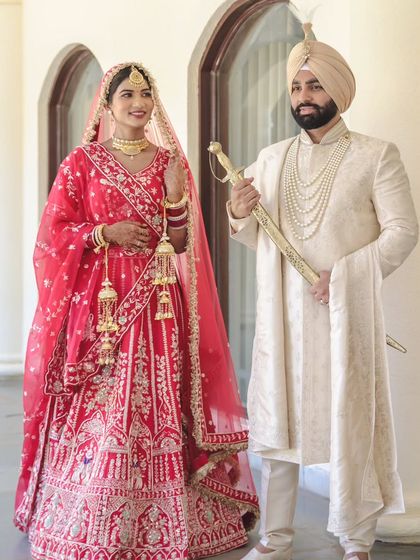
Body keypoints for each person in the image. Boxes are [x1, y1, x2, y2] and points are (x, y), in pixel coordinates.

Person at [14, 62, 258, 560]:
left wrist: (173, 199)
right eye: (126, 95)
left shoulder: (170, 162)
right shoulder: (81, 163)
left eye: (145, 94)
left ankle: (170, 517)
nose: (138, 103)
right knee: (101, 411)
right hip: (99, 311)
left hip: (158, 305)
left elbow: (181, 242)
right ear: (107, 105)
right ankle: (89, 513)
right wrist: (105, 233)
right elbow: (51, 237)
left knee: (158, 403)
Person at [227, 24, 418, 560]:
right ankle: (275, 539)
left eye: (313, 86)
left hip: (342, 314)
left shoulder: (376, 155)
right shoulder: (269, 159)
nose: (303, 97)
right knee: (278, 430)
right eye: (296, 88)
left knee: (350, 422)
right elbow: (252, 232)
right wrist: (238, 212)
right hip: (284, 318)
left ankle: (355, 539)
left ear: (337, 90)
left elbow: (403, 230)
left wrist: (347, 275)